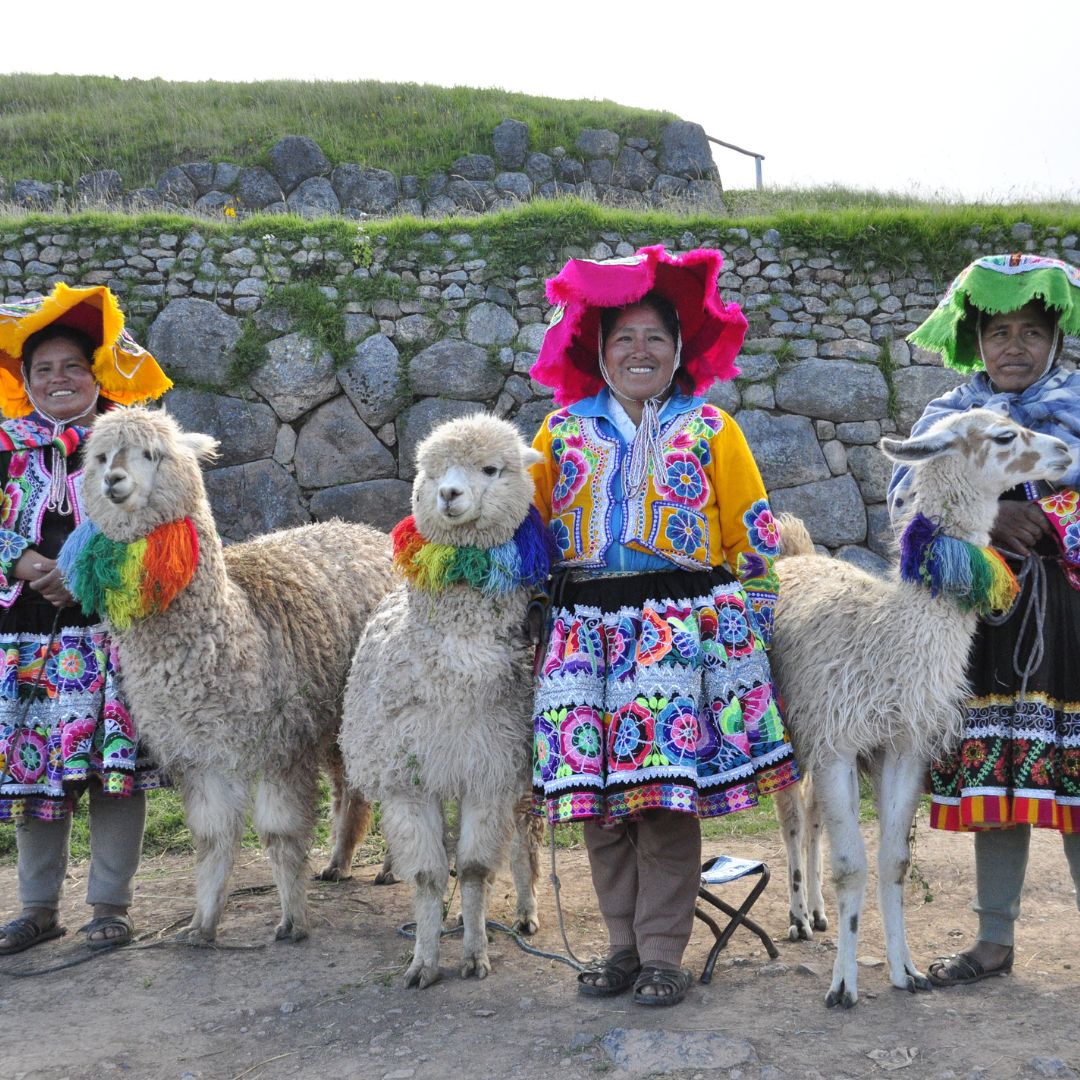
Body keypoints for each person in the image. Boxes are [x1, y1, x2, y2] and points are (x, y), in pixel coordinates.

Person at [529, 245, 799, 1006]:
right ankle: (618, 946)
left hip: (678, 634)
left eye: (655, 338)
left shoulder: (711, 428)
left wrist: (750, 635)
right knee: (599, 800)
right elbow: (527, 533)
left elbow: (754, 535)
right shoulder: (559, 434)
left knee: (661, 798)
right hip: (586, 630)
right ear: (600, 352)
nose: (639, 351)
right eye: (624, 339)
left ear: (678, 350)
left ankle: (660, 955)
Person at [888, 253, 1080, 986]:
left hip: (1070, 615)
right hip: (982, 622)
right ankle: (993, 941)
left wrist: (1053, 512)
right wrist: (990, 511)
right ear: (977, 340)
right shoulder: (950, 419)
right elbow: (912, 495)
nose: (1015, 346)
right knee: (1000, 778)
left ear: (1054, 339)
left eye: (1032, 330)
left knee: (1075, 779)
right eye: (999, 330)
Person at [0, 283, 172, 954]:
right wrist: (19, 561)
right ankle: (36, 907)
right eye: (44, 369)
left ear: (94, 373)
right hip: (22, 640)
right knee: (34, 773)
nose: (58, 379)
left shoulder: (130, 441)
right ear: (28, 381)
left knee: (112, 771)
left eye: (72, 366)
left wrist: (86, 572)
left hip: (109, 633)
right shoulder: (6, 447)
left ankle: (110, 905)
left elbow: (162, 524)